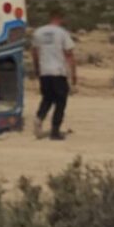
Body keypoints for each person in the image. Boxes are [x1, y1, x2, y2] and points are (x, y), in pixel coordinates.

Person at [31, 8, 77, 140]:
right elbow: (69, 54)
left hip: (44, 71)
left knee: (47, 98)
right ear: (60, 19)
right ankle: (55, 130)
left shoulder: (38, 32)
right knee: (60, 102)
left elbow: (34, 52)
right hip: (58, 71)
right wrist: (73, 73)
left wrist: (36, 68)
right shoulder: (62, 33)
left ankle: (39, 117)